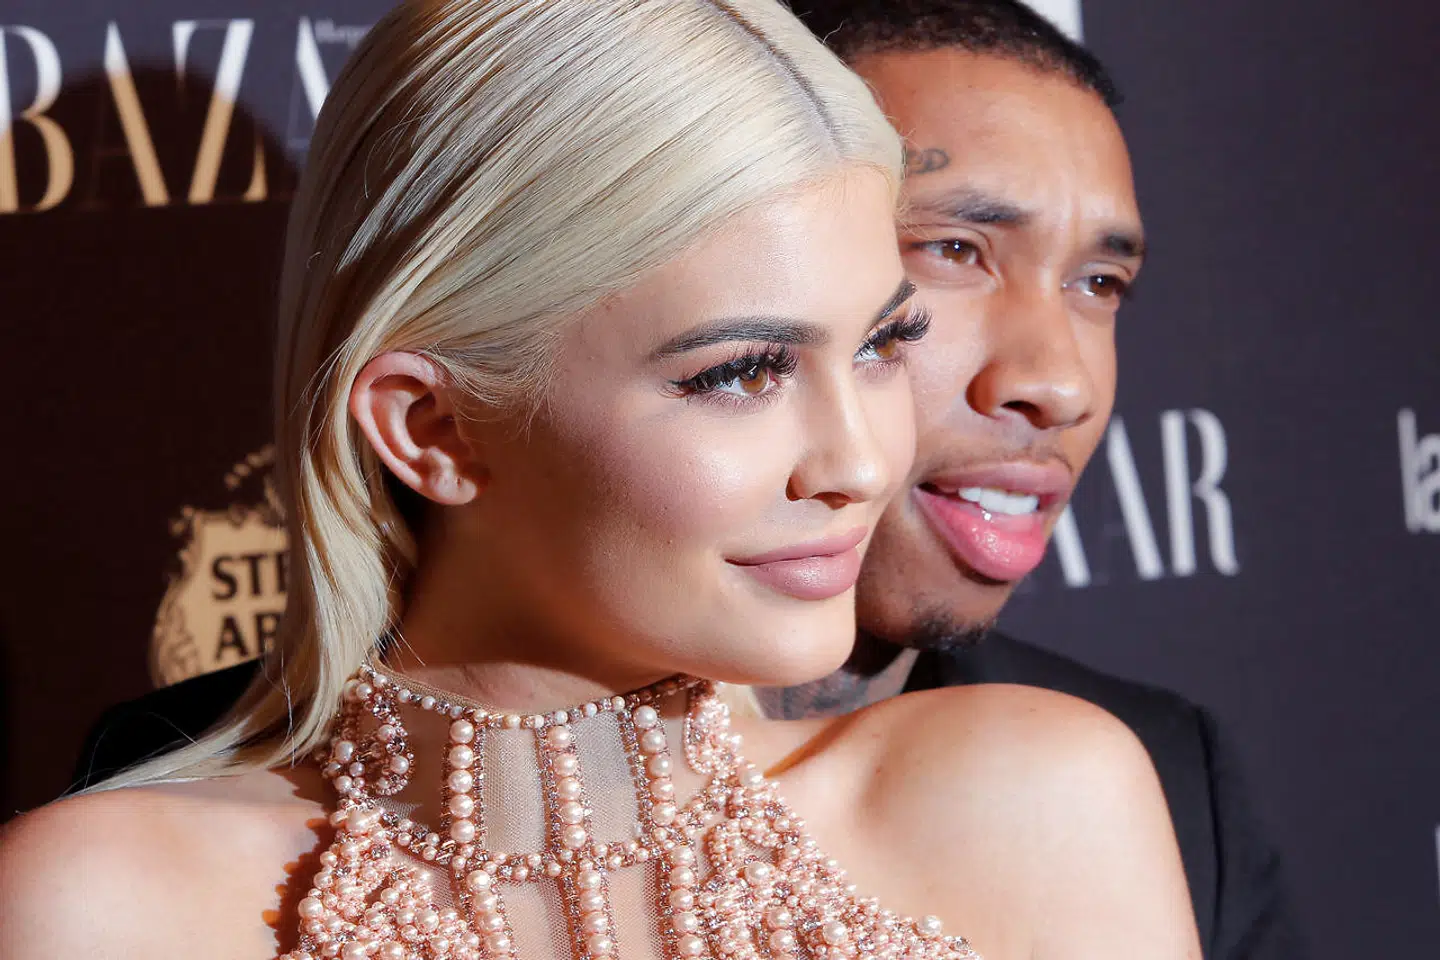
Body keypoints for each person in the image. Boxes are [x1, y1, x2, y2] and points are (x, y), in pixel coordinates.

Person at [0, 1, 1200, 958]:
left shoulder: (1039, 802)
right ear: (432, 429)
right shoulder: (99, 909)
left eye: (882, 344)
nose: (862, 462)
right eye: (741, 372)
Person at [767, 2, 1302, 958]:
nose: (1058, 384)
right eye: (954, 251)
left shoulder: (1167, 776)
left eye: (1099, 285)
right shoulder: (447, 816)